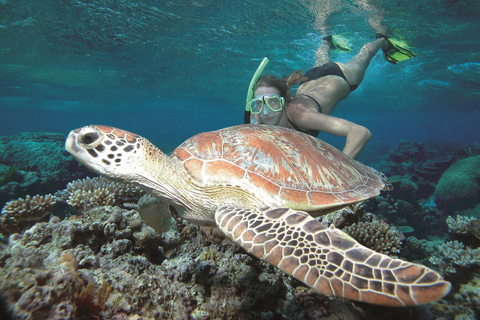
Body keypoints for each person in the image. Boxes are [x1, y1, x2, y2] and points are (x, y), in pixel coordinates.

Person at [246, 34, 416, 159]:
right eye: (258, 105)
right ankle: (327, 40)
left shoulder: (302, 116)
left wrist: (341, 168)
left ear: (284, 102)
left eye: (273, 102)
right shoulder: (258, 115)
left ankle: (382, 40)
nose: (266, 112)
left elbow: (360, 132)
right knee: (321, 55)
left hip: (341, 76)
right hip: (311, 78)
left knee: (365, 54)